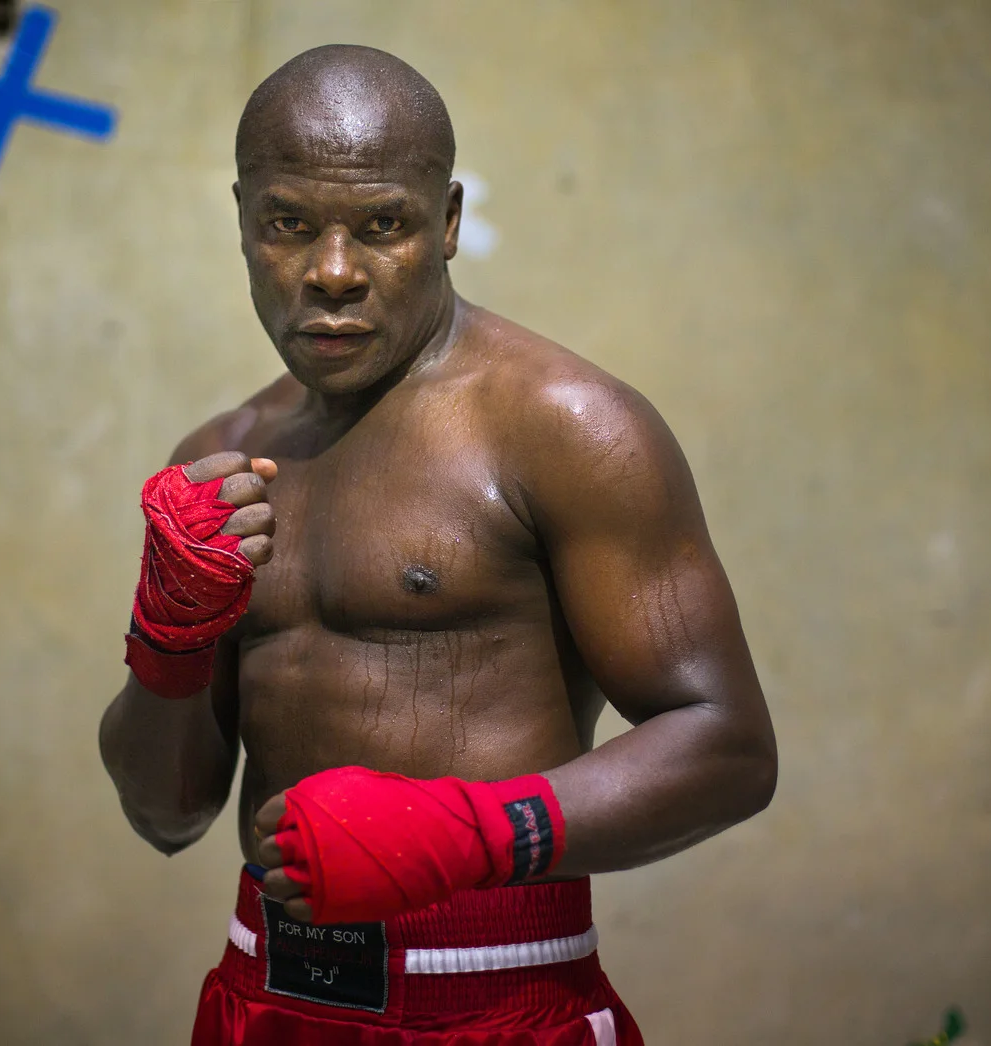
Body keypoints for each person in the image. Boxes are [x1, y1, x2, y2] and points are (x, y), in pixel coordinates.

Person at [99, 43, 777, 1045]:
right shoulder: (221, 458)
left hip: (494, 999)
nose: (333, 273)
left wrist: (475, 833)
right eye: (289, 224)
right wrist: (167, 638)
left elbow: (728, 747)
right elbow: (168, 814)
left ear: (449, 222)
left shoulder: (570, 428)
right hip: (262, 996)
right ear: (242, 221)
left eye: (384, 226)